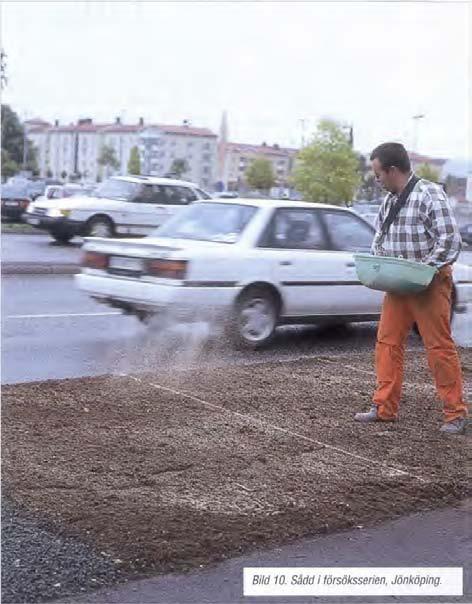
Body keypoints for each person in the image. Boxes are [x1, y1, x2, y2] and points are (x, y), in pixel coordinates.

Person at [354, 142, 467, 434]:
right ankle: (384, 408)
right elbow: (379, 239)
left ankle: (455, 413)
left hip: (428, 282)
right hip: (398, 282)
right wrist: (381, 265)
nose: (376, 181)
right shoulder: (390, 201)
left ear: (392, 171)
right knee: (387, 344)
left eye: (378, 175)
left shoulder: (429, 194)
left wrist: (423, 270)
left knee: (438, 347)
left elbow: (450, 241)